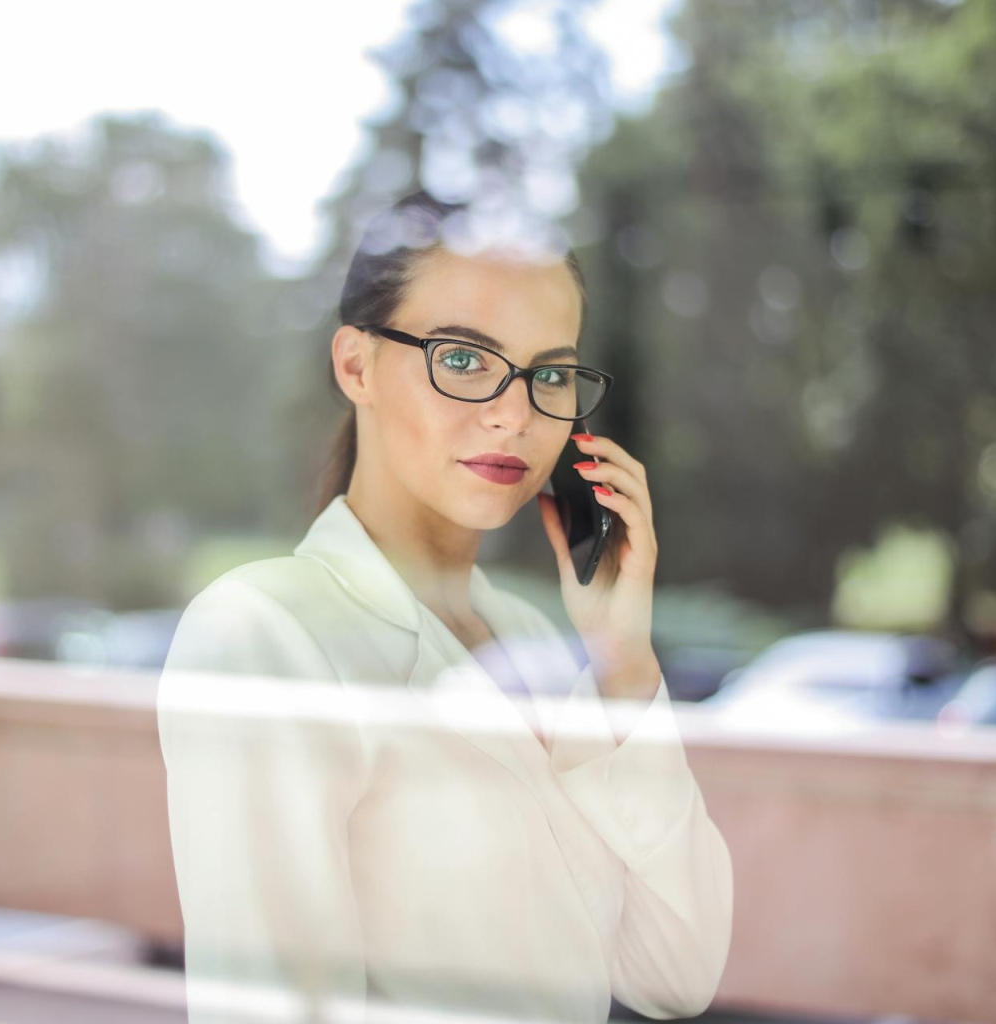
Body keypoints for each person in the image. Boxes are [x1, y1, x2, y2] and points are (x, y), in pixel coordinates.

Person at [156, 189, 733, 1024]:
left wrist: (625, 662)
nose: (514, 412)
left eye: (552, 373)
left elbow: (673, 976)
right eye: (463, 359)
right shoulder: (264, 633)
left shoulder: (533, 640)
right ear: (356, 365)